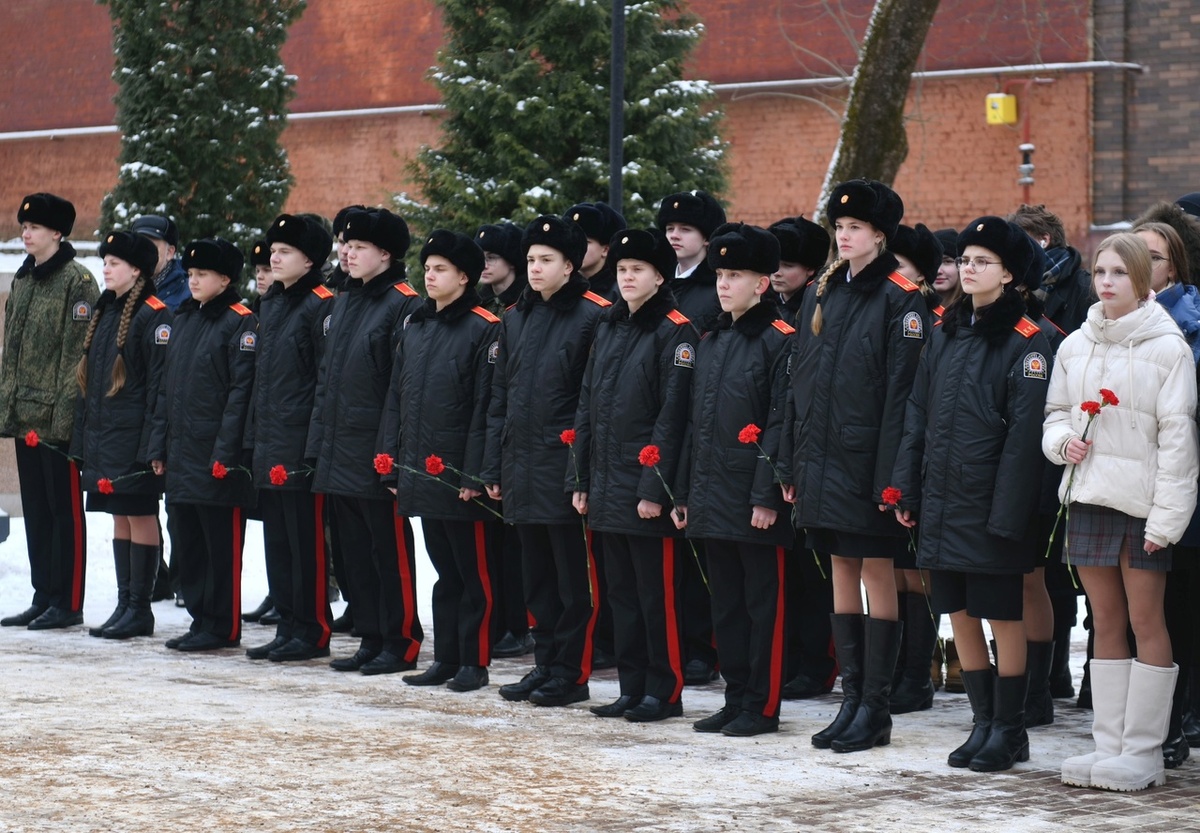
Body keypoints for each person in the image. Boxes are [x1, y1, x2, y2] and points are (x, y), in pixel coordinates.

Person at [891, 216, 1053, 772]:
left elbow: (1024, 441)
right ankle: (982, 721)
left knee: (1001, 615)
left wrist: (1007, 518)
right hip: (942, 500)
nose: (968, 269)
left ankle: (1010, 729)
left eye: (982, 261)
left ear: (1009, 274)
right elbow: (919, 414)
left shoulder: (1032, 341)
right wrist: (907, 486)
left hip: (992, 506)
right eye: (964, 260)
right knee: (956, 611)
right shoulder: (946, 330)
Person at [1044, 232, 1198, 792]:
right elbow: (1055, 414)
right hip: (1089, 496)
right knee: (1104, 621)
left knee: (1145, 621)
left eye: (1119, 273)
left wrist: (1166, 521)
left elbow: (1180, 446)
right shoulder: (1074, 345)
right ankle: (1109, 745)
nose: (1106, 283)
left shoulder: (1168, 347)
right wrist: (1064, 444)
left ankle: (1143, 751)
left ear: (1141, 280)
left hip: (1142, 506)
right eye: (1099, 272)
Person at [782, 179, 929, 753]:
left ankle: (876, 706)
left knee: (877, 574)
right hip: (824, 460)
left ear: (879, 235)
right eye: (839, 228)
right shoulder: (824, 290)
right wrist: (795, 461)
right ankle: (851, 699)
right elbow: (803, 383)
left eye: (855, 229)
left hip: (870, 461)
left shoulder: (900, 297)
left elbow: (902, 395)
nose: (843, 237)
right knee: (841, 571)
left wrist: (894, 478)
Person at [481, 215, 610, 707]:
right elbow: (501, 397)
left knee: (571, 580)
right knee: (536, 577)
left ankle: (571, 673)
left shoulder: (595, 315)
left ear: (569, 265)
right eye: (531, 259)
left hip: (564, 464)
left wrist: (581, 468)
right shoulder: (515, 317)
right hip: (522, 464)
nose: (535, 268)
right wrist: (494, 465)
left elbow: (592, 401)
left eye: (546, 260)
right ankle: (545, 664)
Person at [570, 228, 695, 722]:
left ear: (660, 275)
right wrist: (579, 479)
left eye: (637, 270)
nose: (626, 278)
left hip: (644, 487)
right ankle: (631, 684)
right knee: (619, 594)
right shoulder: (608, 324)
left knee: (654, 596)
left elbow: (672, 415)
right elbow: (588, 405)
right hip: (604, 482)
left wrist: (654, 489)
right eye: (621, 270)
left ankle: (664, 690)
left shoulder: (675, 329)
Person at [676, 222, 794, 737]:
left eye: (736, 275)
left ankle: (762, 705)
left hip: (754, 499)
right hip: (711, 494)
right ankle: (735, 695)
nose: (723, 284)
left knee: (761, 605)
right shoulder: (712, 337)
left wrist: (766, 495)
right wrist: (683, 492)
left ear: (761, 283)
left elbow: (781, 421)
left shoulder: (780, 340)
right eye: (720, 274)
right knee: (725, 603)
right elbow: (693, 425)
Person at [308, 207, 425, 675]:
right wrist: (317, 446)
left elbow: (402, 388)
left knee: (388, 552)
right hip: (339, 449)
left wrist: (391, 456)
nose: (347, 253)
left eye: (358, 248)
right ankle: (371, 635)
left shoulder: (404, 304)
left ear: (386, 254)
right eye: (345, 246)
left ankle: (401, 640)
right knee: (353, 552)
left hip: (376, 451)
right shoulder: (344, 299)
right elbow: (326, 382)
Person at [383, 230, 500, 693]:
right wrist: (391, 462)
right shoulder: (417, 324)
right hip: (421, 469)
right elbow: (398, 396)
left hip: (458, 475)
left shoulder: (484, 325)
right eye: (427, 268)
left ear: (464, 277)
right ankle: (447, 657)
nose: (430, 277)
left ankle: (475, 660)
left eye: (441, 270)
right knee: (444, 572)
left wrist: (473, 473)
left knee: (474, 575)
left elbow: (484, 406)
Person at [149, 237, 257, 651]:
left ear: (225, 279)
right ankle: (199, 617)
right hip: (181, 454)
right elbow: (167, 390)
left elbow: (239, 395)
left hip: (216, 457)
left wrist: (226, 454)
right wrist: (158, 446)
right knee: (187, 542)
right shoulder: (183, 318)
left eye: (202, 275)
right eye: (190, 274)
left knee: (220, 546)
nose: (193, 281)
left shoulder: (240, 321)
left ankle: (222, 624)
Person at [0, 193, 98, 631]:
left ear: (57, 233)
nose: (26, 233)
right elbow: (12, 352)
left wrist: (62, 418)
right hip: (25, 416)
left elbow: (74, 357)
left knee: (64, 510)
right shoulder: (23, 279)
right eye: (24, 226)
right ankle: (44, 594)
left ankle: (68, 600)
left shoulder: (77, 282)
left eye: (35, 227)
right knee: (37, 511)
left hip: (56, 419)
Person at [244, 214, 337, 662]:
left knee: (306, 543)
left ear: (310, 259)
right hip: (270, 440)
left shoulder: (322, 304)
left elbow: (324, 382)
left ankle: (313, 629)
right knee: (278, 541)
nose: (273, 259)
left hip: (299, 444)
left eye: (284, 252)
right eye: (272, 251)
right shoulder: (273, 303)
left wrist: (314, 446)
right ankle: (287, 624)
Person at [73, 230, 171, 640]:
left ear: (137, 270)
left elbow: (159, 388)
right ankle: (124, 602)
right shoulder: (108, 309)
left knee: (140, 513)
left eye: (114, 263)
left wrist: (152, 445)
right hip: (108, 438)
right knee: (119, 517)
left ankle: (140, 608)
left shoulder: (153, 314)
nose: (106, 269)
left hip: (134, 440)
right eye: (105, 262)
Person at [1131, 214, 1200, 768]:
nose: (1140, 265)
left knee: (1176, 612)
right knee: (1133, 614)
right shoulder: (1106, 323)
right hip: (1127, 492)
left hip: (1182, 492)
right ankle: (1142, 725)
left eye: (1152, 257)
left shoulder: (1189, 325)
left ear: (1172, 265)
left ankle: (1175, 721)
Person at [656, 189, 727, 684]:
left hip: (699, 418)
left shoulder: (713, 288)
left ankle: (702, 646)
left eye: (685, 229)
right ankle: (673, 640)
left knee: (695, 545)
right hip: (655, 419)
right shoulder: (659, 284)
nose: (675, 235)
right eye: (670, 228)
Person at [767, 216, 836, 700]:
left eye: (787, 265)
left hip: (810, 453)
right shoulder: (771, 307)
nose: (777, 273)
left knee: (815, 576)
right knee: (785, 576)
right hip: (774, 450)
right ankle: (790, 658)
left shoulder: (819, 306)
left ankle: (819, 663)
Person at [885, 221, 946, 716]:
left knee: (916, 575)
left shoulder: (927, 318)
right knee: (893, 575)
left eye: (900, 266)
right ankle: (897, 669)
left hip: (917, 455)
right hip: (889, 451)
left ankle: (916, 674)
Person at [474, 221, 532, 658]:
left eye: (492, 258)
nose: (484, 265)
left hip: (527, 446)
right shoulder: (492, 308)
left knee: (516, 547)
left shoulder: (516, 310)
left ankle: (520, 623)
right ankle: (503, 621)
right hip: (502, 441)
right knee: (497, 545)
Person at [1008, 204, 1093, 333]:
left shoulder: (1085, 287)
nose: (1011, 250)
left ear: (1044, 240)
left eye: (1019, 242)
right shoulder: (1012, 285)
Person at [564, 202, 626, 301]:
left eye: (586, 242)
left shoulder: (622, 290)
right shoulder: (560, 286)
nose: (576, 247)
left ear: (605, 250)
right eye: (572, 241)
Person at [131, 215, 190, 311]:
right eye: (138, 246)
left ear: (169, 252)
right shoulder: (119, 287)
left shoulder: (187, 296)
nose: (142, 253)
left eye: (150, 247)